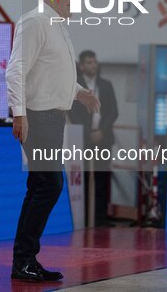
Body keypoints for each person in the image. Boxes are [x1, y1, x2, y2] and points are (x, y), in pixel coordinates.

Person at [6, 0, 100, 282]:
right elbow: (16, 69)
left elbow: (51, 74)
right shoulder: (35, 22)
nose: (76, 1)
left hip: (52, 117)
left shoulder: (56, 25)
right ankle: (23, 259)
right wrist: (19, 114)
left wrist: (78, 92)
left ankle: (25, 259)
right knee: (49, 185)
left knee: (40, 186)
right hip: (39, 116)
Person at [69, 50, 118, 227]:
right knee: (86, 178)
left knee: (102, 177)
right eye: (89, 62)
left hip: (103, 137)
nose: (93, 65)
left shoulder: (106, 85)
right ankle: (86, 217)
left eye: (94, 62)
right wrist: (88, 132)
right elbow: (73, 111)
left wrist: (102, 131)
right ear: (81, 66)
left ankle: (101, 217)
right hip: (84, 137)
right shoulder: (75, 85)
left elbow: (113, 111)